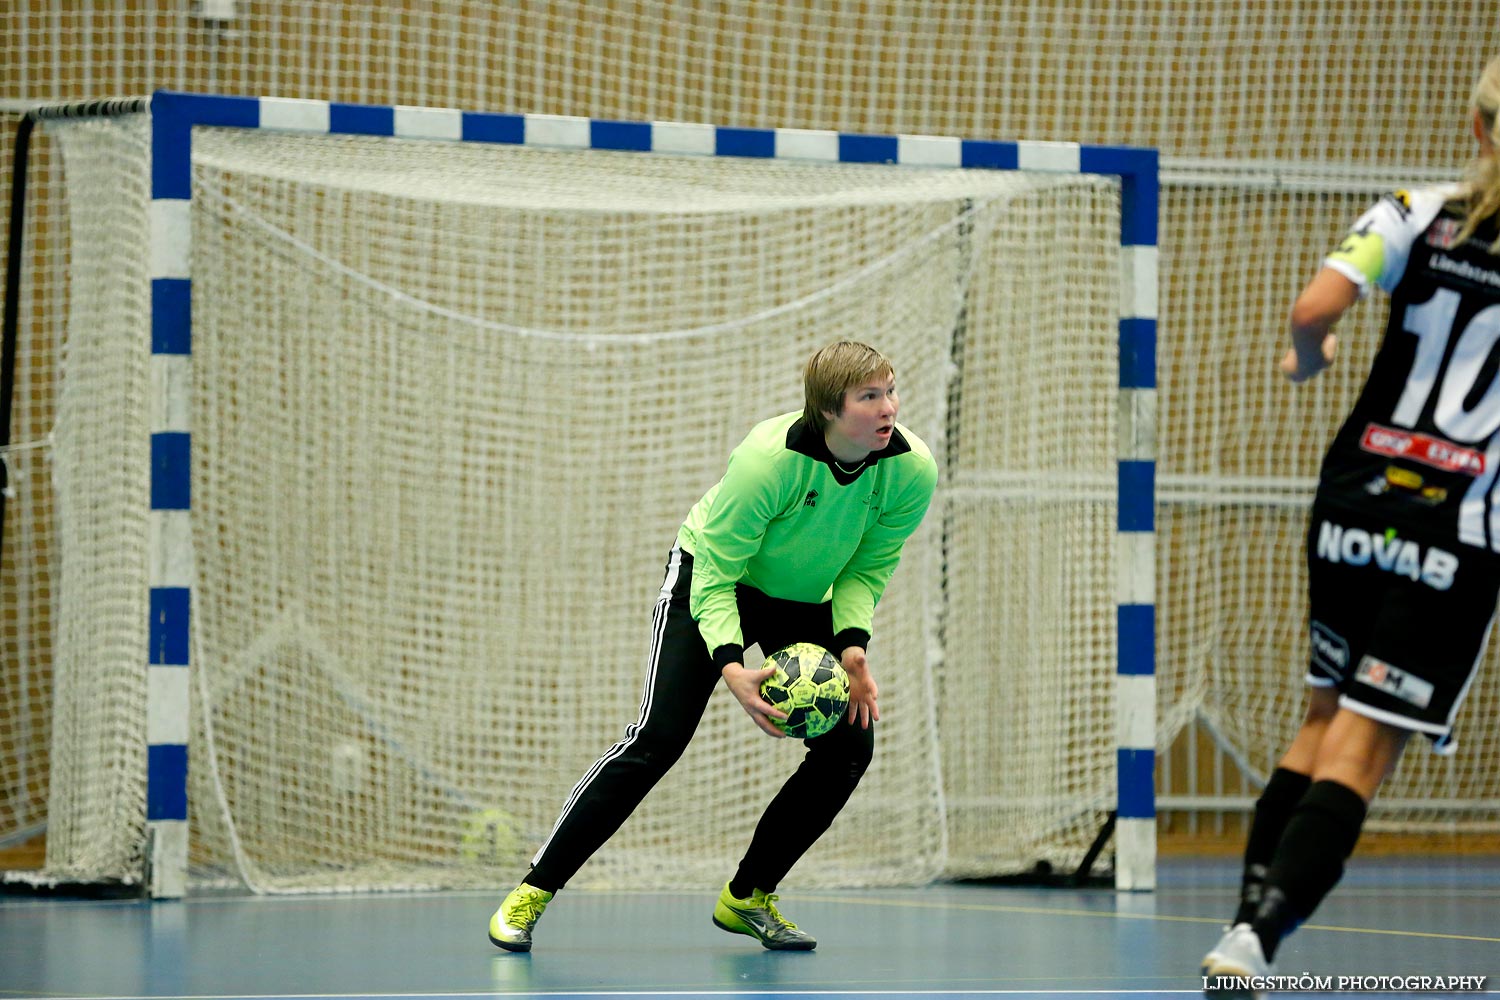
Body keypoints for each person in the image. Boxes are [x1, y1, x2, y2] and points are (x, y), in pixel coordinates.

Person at [1201, 54, 1500, 994]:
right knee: (1364, 746)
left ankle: (1242, 921)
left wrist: (1309, 355)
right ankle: (1257, 941)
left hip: (1354, 496)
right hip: (1458, 520)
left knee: (1321, 719)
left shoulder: (1416, 211)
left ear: (1479, 125)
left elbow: (1315, 307)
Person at [487, 340, 938, 953]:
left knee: (848, 746)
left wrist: (853, 648)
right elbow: (718, 574)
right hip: (713, 576)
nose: (889, 408)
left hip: (804, 597)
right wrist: (731, 664)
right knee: (658, 738)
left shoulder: (911, 470)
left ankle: (748, 896)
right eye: (870, 397)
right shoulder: (768, 461)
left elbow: (868, 568)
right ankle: (533, 891)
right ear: (830, 411)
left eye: (890, 391)